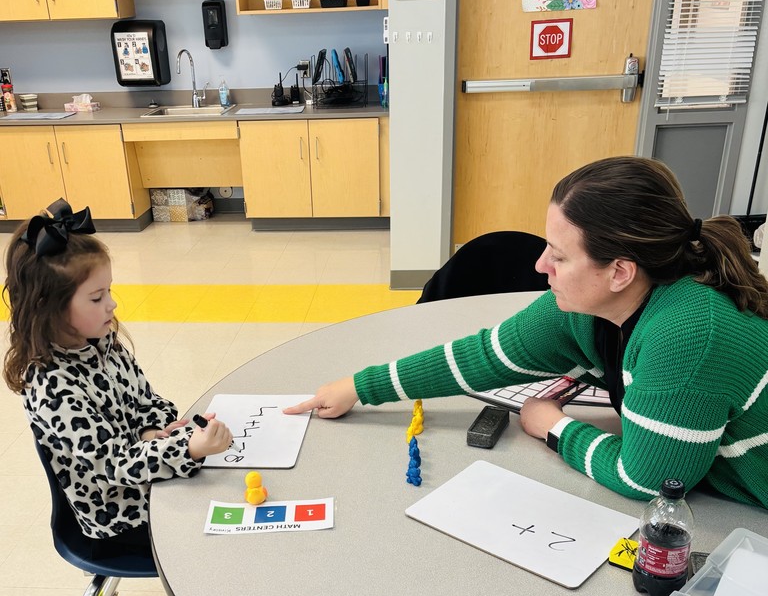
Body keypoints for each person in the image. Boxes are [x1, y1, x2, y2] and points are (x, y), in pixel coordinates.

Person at [287, 156, 768, 509]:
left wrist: (553, 426)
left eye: (559, 256)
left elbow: (647, 480)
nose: (540, 266)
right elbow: (483, 357)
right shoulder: (588, 305)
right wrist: (358, 387)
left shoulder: (689, 333)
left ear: (620, 271)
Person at [2, 200, 232, 551]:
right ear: (48, 307)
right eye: (96, 298)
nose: (111, 304)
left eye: (108, 291)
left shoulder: (101, 339)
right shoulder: (53, 387)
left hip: (147, 469)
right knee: (227, 520)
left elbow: (146, 400)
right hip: (119, 512)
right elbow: (113, 465)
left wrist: (155, 429)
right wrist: (187, 448)